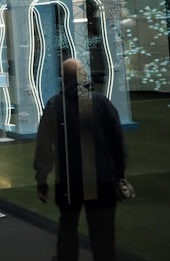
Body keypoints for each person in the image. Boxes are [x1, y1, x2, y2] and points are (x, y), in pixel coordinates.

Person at [34, 58, 127, 261]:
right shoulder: (102, 103)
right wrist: (119, 175)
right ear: (83, 75)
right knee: (103, 236)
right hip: (102, 180)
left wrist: (42, 180)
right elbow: (118, 144)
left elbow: (43, 146)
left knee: (68, 227)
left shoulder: (55, 105)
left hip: (69, 180)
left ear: (63, 78)